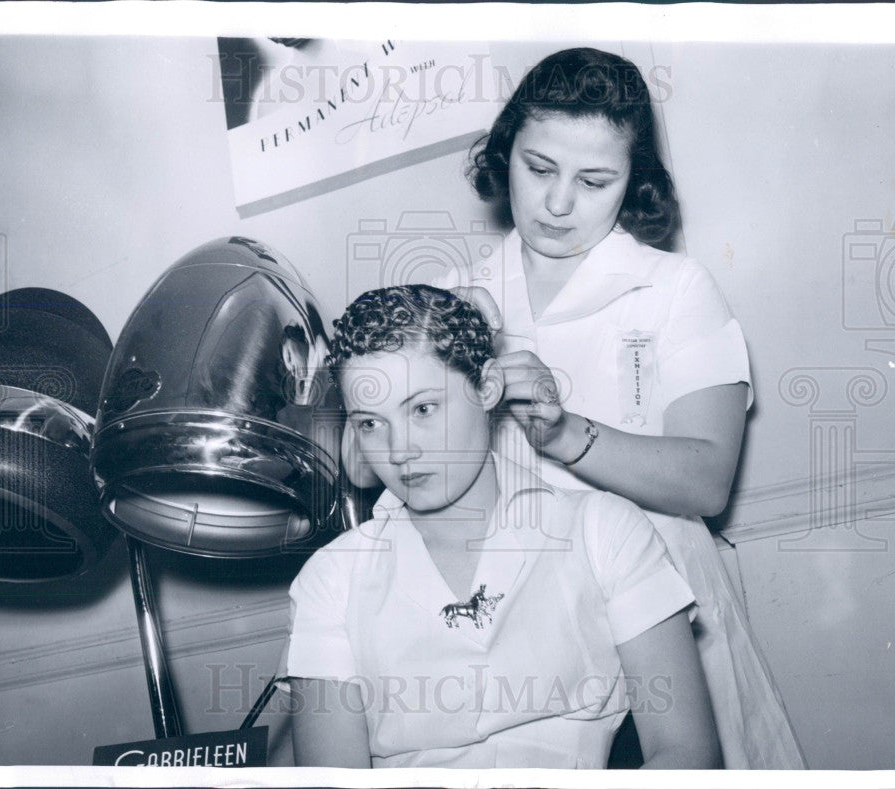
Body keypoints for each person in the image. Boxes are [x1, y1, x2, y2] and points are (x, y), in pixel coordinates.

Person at [426, 47, 804, 769]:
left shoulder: (674, 289)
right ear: (505, 155)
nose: (559, 202)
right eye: (539, 168)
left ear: (635, 184)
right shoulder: (454, 299)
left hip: (668, 627)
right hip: (526, 646)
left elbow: (705, 479)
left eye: (595, 180)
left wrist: (565, 432)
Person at [285, 285, 721, 769]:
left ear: (487, 387)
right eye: (370, 423)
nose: (398, 449)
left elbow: (687, 755)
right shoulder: (333, 579)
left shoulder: (604, 532)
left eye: (423, 409)